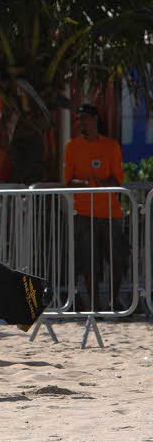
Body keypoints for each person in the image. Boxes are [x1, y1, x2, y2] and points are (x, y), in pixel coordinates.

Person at [63, 104, 128, 311]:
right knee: (88, 260)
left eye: (85, 118)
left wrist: (100, 182)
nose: (82, 122)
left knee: (117, 258)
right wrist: (85, 184)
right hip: (83, 211)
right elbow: (67, 180)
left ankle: (114, 299)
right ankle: (94, 305)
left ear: (95, 119)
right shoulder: (72, 146)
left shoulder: (111, 145)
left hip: (110, 212)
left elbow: (117, 179)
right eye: (79, 118)